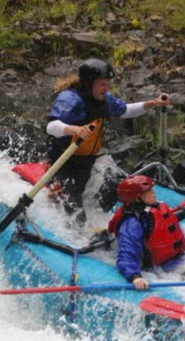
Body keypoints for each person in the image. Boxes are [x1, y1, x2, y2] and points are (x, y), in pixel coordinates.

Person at [46, 57, 171, 222]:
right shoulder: (70, 99)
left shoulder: (105, 99)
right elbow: (51, 126)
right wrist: (75, 129)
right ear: (89, 83)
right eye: (102, 84)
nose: (107, 88)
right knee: (76, 215)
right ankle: (65, 211)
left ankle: (112, 223)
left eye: (108, 83)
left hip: (88, 160)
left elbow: (125, 110)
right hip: (64, 164)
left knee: (113, 190)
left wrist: (153, 103)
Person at [107, 175, 185, 289]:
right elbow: (126, 253)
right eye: (149, 191)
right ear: (138, 197)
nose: (154, 192)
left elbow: (165, 235)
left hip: (176, 260)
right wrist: (135, 276)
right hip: (159, 269)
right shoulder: (132, 223)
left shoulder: (154, 209)